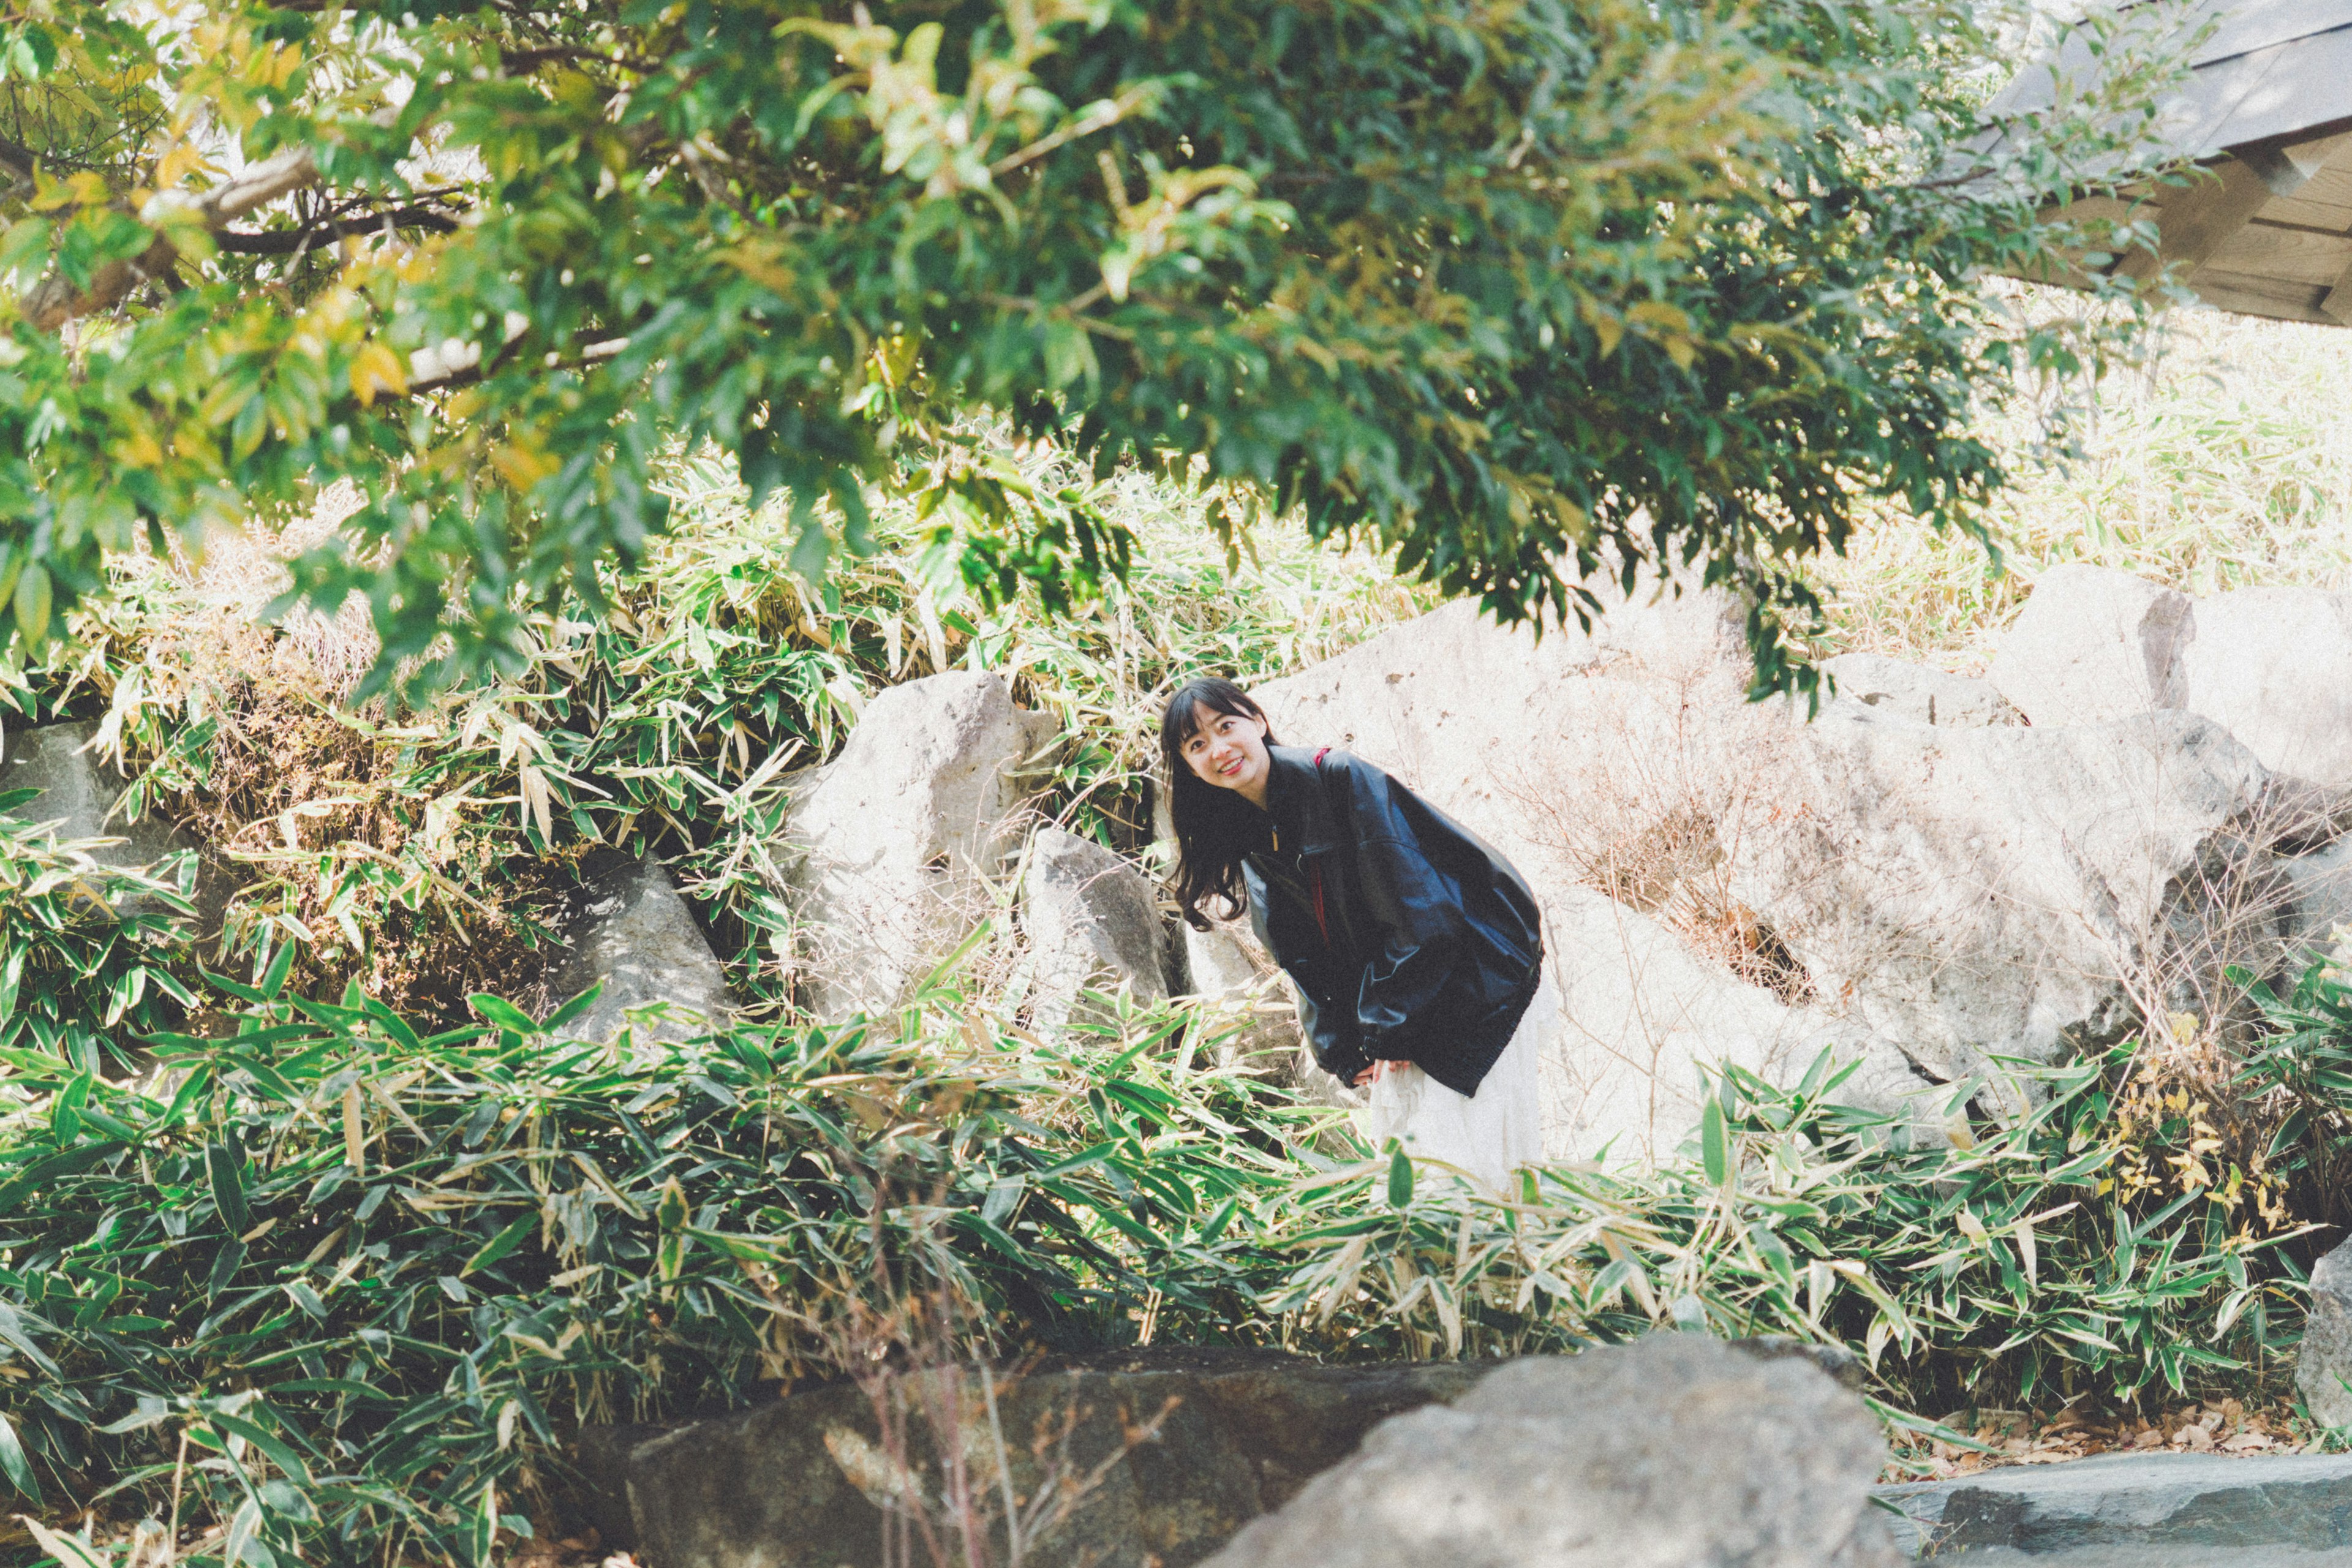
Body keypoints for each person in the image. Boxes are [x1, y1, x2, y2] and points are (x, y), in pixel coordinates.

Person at [1158, 675, 1548, 1192]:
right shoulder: (1250, 830)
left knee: (1471, 1173)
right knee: (1416, 1172)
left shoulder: (1338, 780)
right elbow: (1300, 955)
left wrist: (1387, 1028)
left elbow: (1423, 914)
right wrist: (1340, 1047)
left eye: (1227, 726)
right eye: (1197, 744)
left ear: (1258, 721)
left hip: (1479, 974)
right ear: (1188, 767)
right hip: (1412, 995)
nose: (1220, 749)